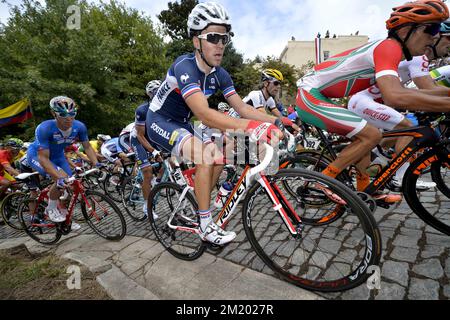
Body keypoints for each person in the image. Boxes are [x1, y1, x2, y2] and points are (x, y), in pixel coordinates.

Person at [146, 2, 295, 245]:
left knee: (219, 155)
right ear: (196, 41)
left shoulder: (220, 74)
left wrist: (278, 120)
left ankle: (200, 197)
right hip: (159, 121)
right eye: (213, 37)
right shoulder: (185, 66)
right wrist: (252, 128)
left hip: (182, 122)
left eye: (225, 39)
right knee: (206, 156)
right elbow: (204, 114)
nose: (220, 45)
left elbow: (242, 108)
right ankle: (205, 224)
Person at [295, 0, 450, 203]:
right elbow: (394, 96)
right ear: (406, 31)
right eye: (432, 29)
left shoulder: (396, 51)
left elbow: (413, 92)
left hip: (322, 95)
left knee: (366, 138)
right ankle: (324, 180)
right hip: (309, 94)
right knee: (371, 135)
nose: (435, 36)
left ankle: (366, 189)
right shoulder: (389, 47)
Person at [27, 96, 101, 225]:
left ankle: (64, 217)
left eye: (72, 114)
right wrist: (58, 177)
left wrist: (97, 163)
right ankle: (50, 209)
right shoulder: (44, 128)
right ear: (53, 113)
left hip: (58, 156)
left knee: (70, 185)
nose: (68, 118)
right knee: (60, 179)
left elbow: (87, 146)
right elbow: (43, 158)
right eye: (62, 114)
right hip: (38, 156)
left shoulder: (79, 126)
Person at [132, 80, 163, 219]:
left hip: (153, 138)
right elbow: (140, 135)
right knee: (147, 171)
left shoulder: (165, 109)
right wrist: (153, 151)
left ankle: (157, 185)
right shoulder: (142, 110)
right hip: (139, 139)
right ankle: (147, 205)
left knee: (168, 162)